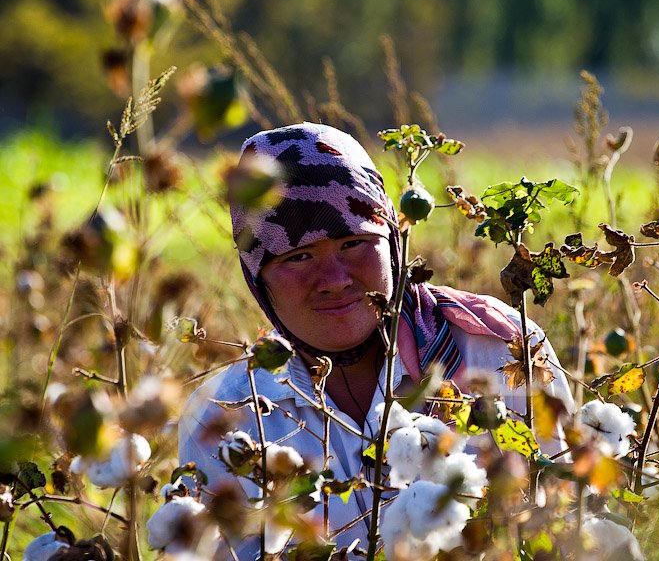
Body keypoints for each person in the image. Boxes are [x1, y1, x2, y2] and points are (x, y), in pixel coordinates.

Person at [178, 122, 575, 556]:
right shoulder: (224, 418)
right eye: (299, 256)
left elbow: (567, 525)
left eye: (353, 243)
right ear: (259, 278)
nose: (332, 280)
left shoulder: (502, 350)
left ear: (391, 242)